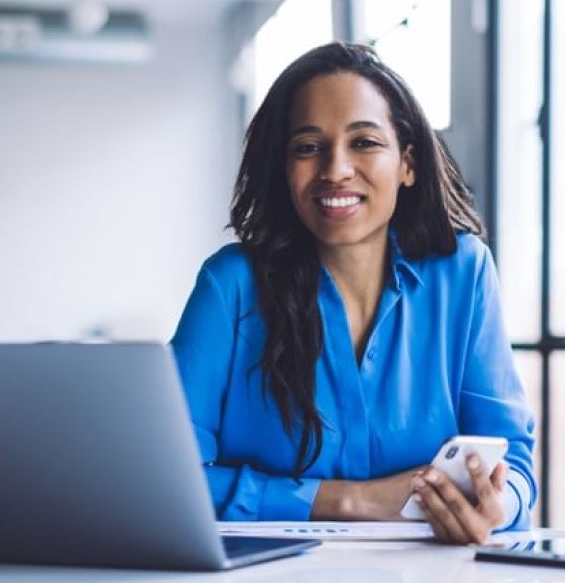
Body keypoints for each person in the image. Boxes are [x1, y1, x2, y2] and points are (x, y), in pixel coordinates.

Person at [170, 41, 535, 545]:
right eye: (307, 147)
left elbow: (513, 459)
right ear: (283, 169)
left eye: (364, 142)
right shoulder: (230, 284)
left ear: (408, 163)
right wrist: (348, 500)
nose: (335, 169)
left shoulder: (464, 273)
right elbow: (170, 479)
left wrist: (497, 505)